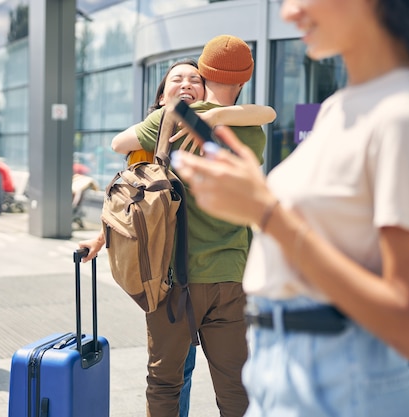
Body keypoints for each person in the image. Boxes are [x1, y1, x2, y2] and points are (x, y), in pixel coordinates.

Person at [171, 1, 409, 416]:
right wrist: (253, 199)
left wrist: (265, 212)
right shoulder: (345, 106)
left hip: (336, 379)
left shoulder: (404, 114)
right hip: (286, 368)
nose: (289, 12)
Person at [84, 35, 271, 416]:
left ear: (203, 74)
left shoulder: (168, 118)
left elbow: (120, 145)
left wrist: (165, 113)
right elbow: (265, 113)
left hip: (173, 282)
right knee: (236, 387)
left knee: (165, 384)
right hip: (231, 276)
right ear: (244, 80)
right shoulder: (253, 130)